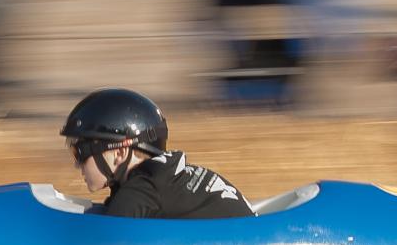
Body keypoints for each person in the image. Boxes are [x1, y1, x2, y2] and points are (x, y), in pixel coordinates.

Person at [60, 88, 254, 219]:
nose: (78, 165)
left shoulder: (140, 191)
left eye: (81, 153)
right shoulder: (163, 176)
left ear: (118, 153)